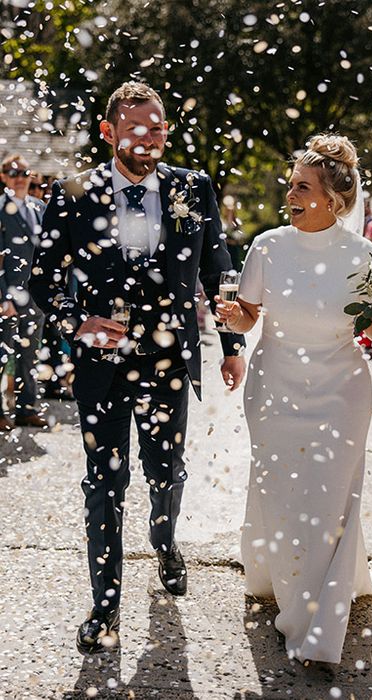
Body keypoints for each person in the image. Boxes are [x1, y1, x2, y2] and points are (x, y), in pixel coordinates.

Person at [30, 81, 246, 655]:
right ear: (109, 133)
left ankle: (165, 538)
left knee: (166, 468)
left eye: (158, 128)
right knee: (105, 479)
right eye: (136, 129)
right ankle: (104, 608)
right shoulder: (73, 191)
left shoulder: (192, 187)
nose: (149, 139)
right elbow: (43, 280)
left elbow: (218, 269)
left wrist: (230, 344)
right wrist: (78, 322)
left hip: (171, 357)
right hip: (101, 364)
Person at [218, 134, 372, 666]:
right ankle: (284, 580)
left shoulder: (364, 255)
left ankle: (315, 621)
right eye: (290, 184)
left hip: (341, 391)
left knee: (329, 499)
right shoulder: (267, 245)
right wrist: (233, 320)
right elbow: (250, 313)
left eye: (301, 186)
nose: (288, 194)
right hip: (275, 386)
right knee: (285, 495)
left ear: (334, 200)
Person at [0, 153, 47, 430]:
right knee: (2, 355)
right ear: (4, 177)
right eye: (14, 173)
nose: (20, 179)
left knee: (29, 355)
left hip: (35, 296)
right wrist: (3, 295)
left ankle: (27, 408)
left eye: (24, 173)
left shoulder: (40, 207)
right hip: (7, 295)